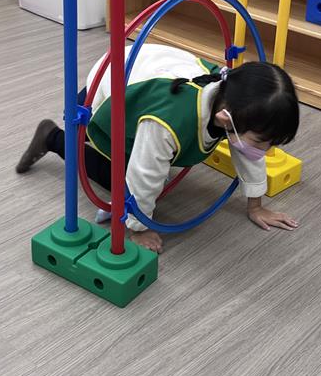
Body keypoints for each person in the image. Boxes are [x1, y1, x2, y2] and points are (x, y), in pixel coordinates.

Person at [16, 43, 300, 253]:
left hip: (144, 72)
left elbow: (247, 153)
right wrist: (138, 228)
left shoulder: (234, 100)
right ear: (226, 119)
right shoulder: (167, 121)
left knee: (155, 166)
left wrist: (256, 206)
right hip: (109, 88)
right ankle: (52, 137)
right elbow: (144, 175)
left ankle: (68, 130)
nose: (264, 151)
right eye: (261, 143)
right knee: (125, 179)